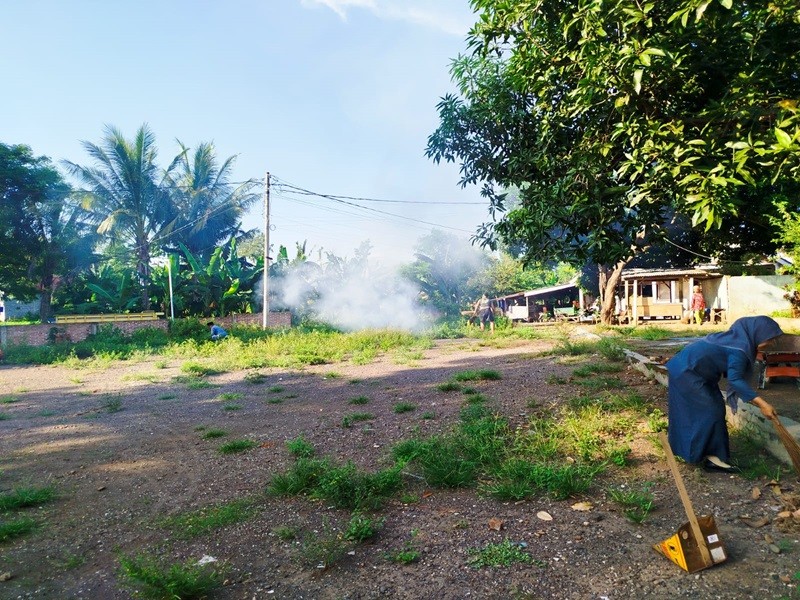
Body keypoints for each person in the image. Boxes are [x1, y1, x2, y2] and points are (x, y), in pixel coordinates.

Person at [666, 316, 783, 473]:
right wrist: (763, 404)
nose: (772, 343)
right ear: (756, 333)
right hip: (687, 373)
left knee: (715, 410)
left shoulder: (736, 340)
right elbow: (736, 380)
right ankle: (703, 455)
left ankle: (714, 457)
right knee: (710, 412)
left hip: (697, 372)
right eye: (770, 338)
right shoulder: (739, 349)